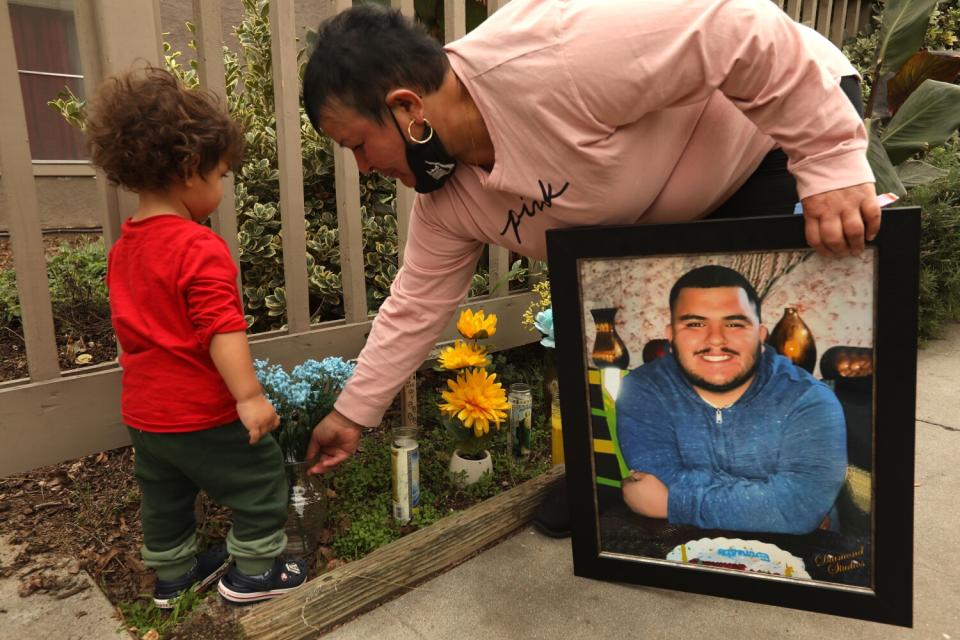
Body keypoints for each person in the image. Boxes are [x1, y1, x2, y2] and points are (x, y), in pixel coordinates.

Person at [300, 0, 878, 534]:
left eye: (357, 144)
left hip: (766, 132)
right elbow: (415, 305)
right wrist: (352, 414)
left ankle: (826, 502)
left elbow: (737, 27)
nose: (364, 167)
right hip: (662, 202)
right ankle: (614, 483)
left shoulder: (553, 57)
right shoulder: (447, 202)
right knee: (635, 339)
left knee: (757, 335)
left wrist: (829, 159)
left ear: (406, 108)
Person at [86, 67, 307, 606]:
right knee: (258, 483)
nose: (222, 190)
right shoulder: (197, 246)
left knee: (164, 496)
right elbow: (221, 328)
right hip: (200, 411)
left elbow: (129, 329)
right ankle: (254, 572)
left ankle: (174, 576)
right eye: (221, 176)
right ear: (190, 168)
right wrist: (249, 397)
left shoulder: (123, 250)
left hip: (145, 415)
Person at [616, 265, 847, 535]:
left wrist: (673, 502)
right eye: (695, 324)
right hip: (681, 551)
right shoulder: (643, 389)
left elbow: (798, 508)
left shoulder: (810, 399)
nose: (715, 339)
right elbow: (654, 479)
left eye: (734, 323)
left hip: (797, 559)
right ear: (671, 336)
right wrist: (770, 502)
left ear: (761, 337)